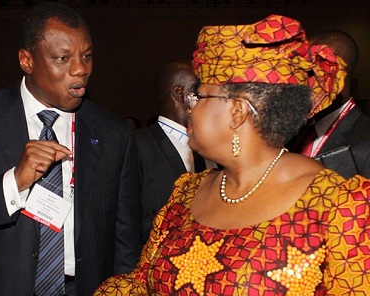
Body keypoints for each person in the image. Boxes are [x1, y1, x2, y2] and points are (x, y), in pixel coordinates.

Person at [94, 15, 370, 295]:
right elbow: (143, 280)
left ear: (237, 112)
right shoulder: (186, 192)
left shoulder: (340, 206)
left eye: (200, 97)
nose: (191, 109)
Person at [0, 2, 142, 296]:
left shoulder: (114, 134)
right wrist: (14, 183)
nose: (80, 69)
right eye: (62, 58)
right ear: (26, 60)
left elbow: (124, 240)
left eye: (87, 56)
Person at [135, 61, 216, 243]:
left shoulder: (212, 146)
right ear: (180, 94)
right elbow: (130, 219)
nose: (206, 100)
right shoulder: (139, 144)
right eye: (199, 93)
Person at [289, 30, 370, 178]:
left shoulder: (365, 142)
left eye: (310, 71)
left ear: (339, 74)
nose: (299, 79)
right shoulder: (294, 134)